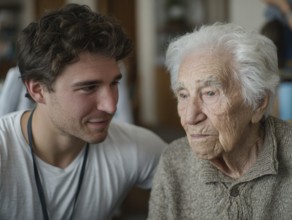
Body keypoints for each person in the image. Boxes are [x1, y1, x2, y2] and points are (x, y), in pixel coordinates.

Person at [0, 4, 167, 220]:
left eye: (114, 83)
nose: (111, 106)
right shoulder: (5, 152)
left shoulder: (134, 147)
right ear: (38, 90)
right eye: (88, 87)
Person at [148, 22, 292, 220]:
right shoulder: (174, 162)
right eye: (183, 95)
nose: (190, 117)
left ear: (258, 103)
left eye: (210, 93)